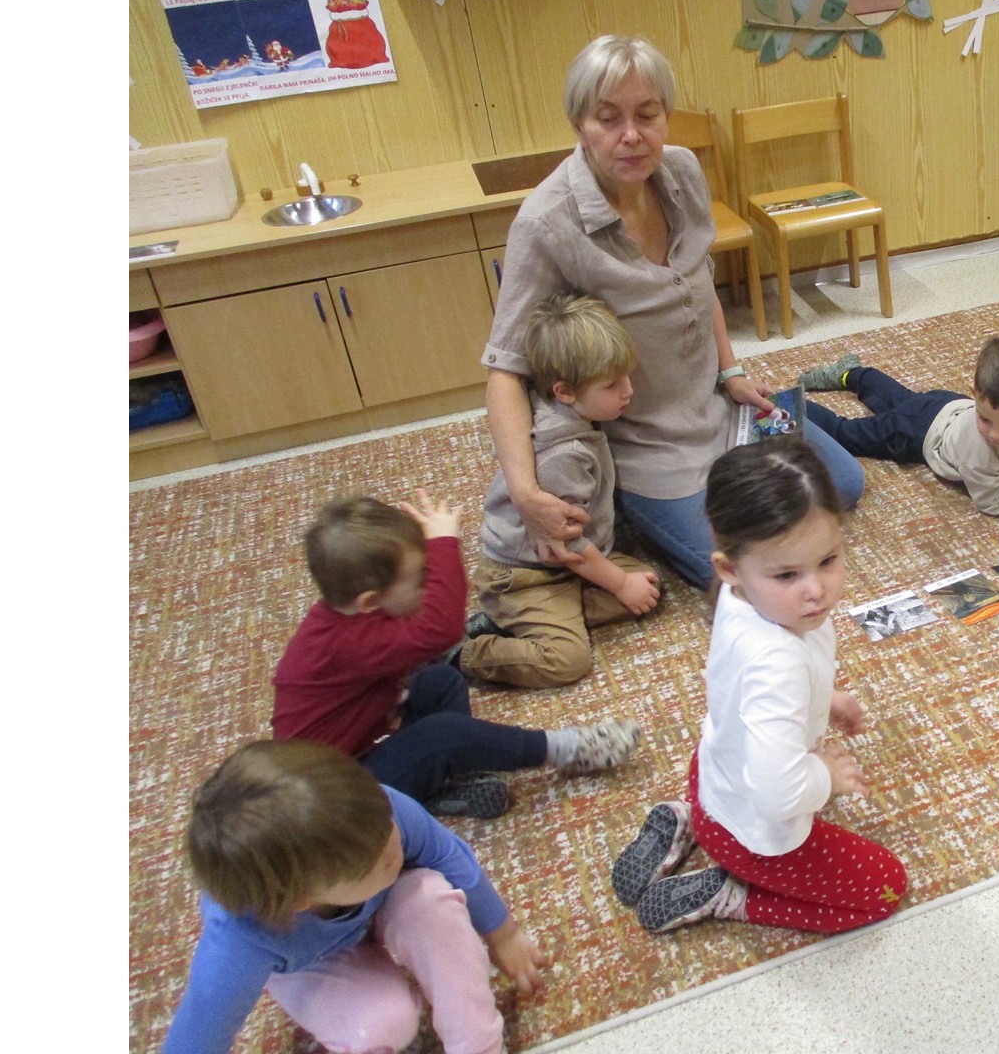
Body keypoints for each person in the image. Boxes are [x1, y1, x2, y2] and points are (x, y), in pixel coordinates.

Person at [481, 34, 865, 589]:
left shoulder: (682, 171)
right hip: (645, 443)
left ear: (666, 116)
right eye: (608, 118)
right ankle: (631, 503)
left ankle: (788, 426)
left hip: (717, 408)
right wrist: (525, 492)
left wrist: (732, 373)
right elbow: (505, 369)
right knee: (741, 569)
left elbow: (698, 280)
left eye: (647, 114)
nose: (631, 135)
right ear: (579, 125)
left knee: (845, 486)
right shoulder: (546, 222)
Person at [611, 443, 907, 934]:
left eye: (828, 560)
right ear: (730, 567)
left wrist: (822, 699)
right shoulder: (778, 661)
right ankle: (731, 894)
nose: (816, 590)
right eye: (787, 574)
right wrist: (826, 777)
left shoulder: (741, 595)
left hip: (712, 774)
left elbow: (747, 686)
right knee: (885, 888)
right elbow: (777, 795)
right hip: (749, 828)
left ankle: (689, 818)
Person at [160, 740, 547, 1054]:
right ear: (302, 898)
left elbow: (448, 854)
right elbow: (199, 1031)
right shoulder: (241, 941)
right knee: (385, 1024)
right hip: (311, 960)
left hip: (382, 904)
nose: (395, 844)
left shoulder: (375, 811)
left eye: (387, 826)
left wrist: (504, 934)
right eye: (375, 862)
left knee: (432, 901)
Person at [273, 491, 640, 821]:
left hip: (367, 737)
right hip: (342, 797)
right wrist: (444, 546)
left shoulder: (352, 613)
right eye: (421, 581)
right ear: (369, 602)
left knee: (441, 681)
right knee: (442, 734)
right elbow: (442, 630)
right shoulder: (347, 640)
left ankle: (447, 778)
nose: (430, 586)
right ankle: (567, 750)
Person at [461, 292, 662, 688]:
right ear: (564, 392)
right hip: (526, 575)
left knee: (650, 585)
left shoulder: (575, 411)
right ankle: (468, 652)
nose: (628, 391)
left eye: (627, 377)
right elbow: (565, 545)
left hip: (566, 566)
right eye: (612, 384)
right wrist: (620, 585)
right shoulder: (563, 454)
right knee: (568, 659)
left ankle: (537, 619)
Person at [795, 335, 999, 520]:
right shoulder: (978, 447)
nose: (994, 434)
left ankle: (852, 373)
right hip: (916, 434)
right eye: (985, 418)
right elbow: (996, 500)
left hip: (945, 404)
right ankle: (786, 407)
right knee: (845, 433)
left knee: (899, 398)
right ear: (975, 395)